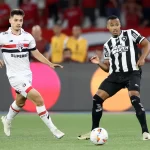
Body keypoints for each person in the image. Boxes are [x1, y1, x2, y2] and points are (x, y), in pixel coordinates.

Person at [78, 15, 150, 140]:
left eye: (116, 24)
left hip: (132, 73)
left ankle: (145, 132)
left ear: (120, 25)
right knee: (97, 99)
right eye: (112, 25)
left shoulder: (130, 33)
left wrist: (142, 58)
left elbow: (146, 44)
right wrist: (98, 62)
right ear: (108, 27)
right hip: (116, 75)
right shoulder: (108, 45)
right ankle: (94, 131)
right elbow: (106, 68)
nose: (115, 27)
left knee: (134, 99)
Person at [0, 9, 64, 139]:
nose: (18, 23)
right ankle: (54, 130)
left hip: (27, 74)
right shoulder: (3, 37)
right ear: (10, 21)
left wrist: (49, 63)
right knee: (39, 99)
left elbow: (35, 53)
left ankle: (7, 119)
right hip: (14, 76)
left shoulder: (28, 37)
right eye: (16, 20)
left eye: (21, 20)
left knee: (20, 102)